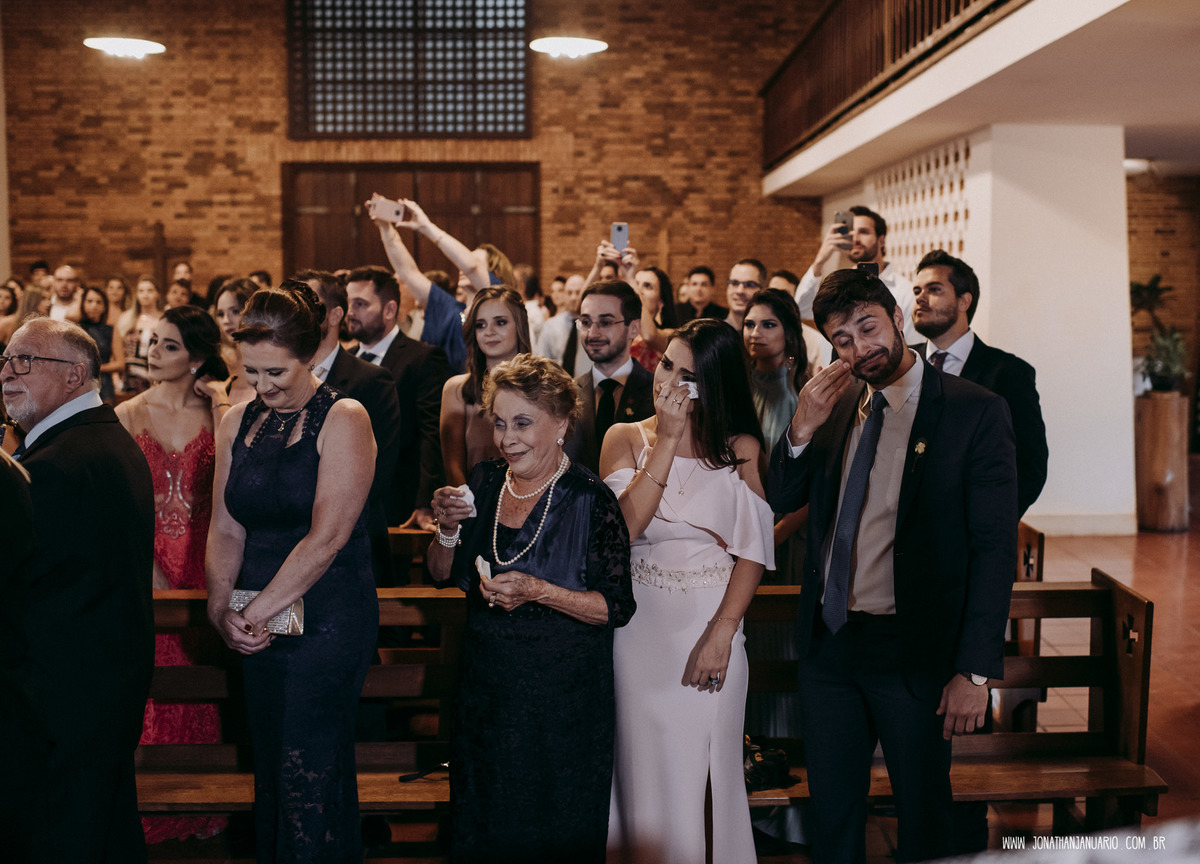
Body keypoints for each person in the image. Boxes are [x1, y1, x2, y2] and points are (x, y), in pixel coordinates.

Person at [765, 269, 1018, 864]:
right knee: (832, 812)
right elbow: (779, 497)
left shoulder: (972, 412)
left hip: (912, 649)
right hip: (831, 646)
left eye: (868, 328)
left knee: (923, 813)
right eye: (842, 339)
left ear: (898, 319)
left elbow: (994, 550)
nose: (858, 348)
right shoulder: (834, 399)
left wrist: (975, 672)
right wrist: (800, 428)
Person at [428, 353, 635, 863]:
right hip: (486, 696)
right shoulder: (482, 482)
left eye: (522, 422)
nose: (507, 438)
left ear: (561, 423)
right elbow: (438, 572)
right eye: (499, 423)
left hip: (562, 706)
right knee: (483, 823)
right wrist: (447, 529)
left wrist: (539, 591)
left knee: (553, 831)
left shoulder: (590, 499)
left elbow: (613, 608)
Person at [206, 281, 379, 862]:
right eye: (251, 372)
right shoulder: (236, 422)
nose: (262, 386)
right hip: (255, 619)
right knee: (272, 766)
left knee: (309, 764)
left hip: (326, 617)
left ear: (309, 354)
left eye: (275, 372)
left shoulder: (345, 417)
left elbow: (327, 538)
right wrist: (219, 605)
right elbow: (226, 529)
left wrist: (250, 612)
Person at [601, 318, 774, 864]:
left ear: (713, 384)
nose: (667, 381)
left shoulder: (739, 445)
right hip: (640, 628)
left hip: (714, 620)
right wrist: (668, 439)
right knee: (642, 773)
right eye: (665, 364)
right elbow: (622, 530)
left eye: (686, 374)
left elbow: (753, 549)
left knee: (710, 770)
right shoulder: (624, 437)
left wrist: (723, 632)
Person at [1, 318, 155, 862]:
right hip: (94, 686)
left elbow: (15, 576)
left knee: (64, 838)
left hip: (60, 695)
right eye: (4, 361)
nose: (7, 374)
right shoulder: (98, 439)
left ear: (75, 375)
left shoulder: (61, 463)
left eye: (25, 361)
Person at [116, 305, 229, 845]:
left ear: (198, 358)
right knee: (148, 676)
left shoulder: (218, 413)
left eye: (168, 346)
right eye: (153, 342)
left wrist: (225, 399)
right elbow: (118, 507)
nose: (153, 353)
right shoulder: (127, 414)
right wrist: (147, 565)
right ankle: (146, 804)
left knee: (199, 669)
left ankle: (204, 802)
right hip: (149, 560)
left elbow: (235, 491)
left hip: (206, 559)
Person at [912, 249, 1048, 517]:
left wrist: (991, 521)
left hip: (969, 526)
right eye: (916, 290)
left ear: (964, 301)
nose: (920, 298)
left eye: (934, 289)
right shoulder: (904, 363)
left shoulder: (1009, 373)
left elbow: (1030, 464)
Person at [300, 268, 403, 586]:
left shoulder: (371, 381)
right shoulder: (278, 380)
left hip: (351, 550)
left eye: (307, 302)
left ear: (335, 314)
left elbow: (379, 473)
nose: (296, 311)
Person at [345, 265, 451, 531]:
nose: (350, 313)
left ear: (390, 310)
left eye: (360, 304)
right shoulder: (345, 360)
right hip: (348, 500)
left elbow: (432, 434)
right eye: (348, 304)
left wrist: (425, 501)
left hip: (398, 500)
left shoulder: (421, 358)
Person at [368, 194, 515, 373]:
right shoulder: (451, 310)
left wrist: (427, 227)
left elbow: (471, 266)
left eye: (468, 259)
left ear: (494, 273)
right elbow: (408, 272)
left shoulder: (502, 301)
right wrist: (385, 228)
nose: (461, 265)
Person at [441, 286, 532, 487]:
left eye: (500, 322)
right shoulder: (456, 390)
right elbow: (453, 468)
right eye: (480, 325)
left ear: (519, 325)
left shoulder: (541, 386)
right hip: (474, 505)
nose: (489, 332)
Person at [794, 205, 920, 345]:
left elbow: (912, 345)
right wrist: (820, 261)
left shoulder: (906, 291)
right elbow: (802, 309)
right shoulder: (839, 285)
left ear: (881, 240)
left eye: (863, 232)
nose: (855, 238)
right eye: (851, 232)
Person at [564, 280, 654, 475]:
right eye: (586, 322)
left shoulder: (656, 391)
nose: (593, 333)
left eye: (605, 323)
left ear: (634, 328)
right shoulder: (566, 394)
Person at [212, 278, 258, 406]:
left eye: (235, 311)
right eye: (220, 314)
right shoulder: (220, 363)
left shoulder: (272, 361)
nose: (226, 320)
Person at [117, 275, 164, 394]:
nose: (145, 294)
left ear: (157, 294)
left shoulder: (164, 319)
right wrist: (115, 378)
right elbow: (117, 351)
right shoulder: (126, 319)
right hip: (129, 377)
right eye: (141, 291)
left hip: (154, 376)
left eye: (150, 290)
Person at [78, 286, 125, 402]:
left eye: (99, 302)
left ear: (104, 307)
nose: (94, 306)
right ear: (83, 304)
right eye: (89, 301)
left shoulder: (111, 330)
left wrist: (95, 368)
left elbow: (120, 364)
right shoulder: (76, 328)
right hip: (79, 384)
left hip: (104, 384)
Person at [631, 265, 677, 372]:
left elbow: (649, 336)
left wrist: (630, 279)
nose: (639, 290)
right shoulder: (618, 327)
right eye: (636, 283)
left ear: (661, 301)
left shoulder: (671, 335)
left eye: (647, 286)